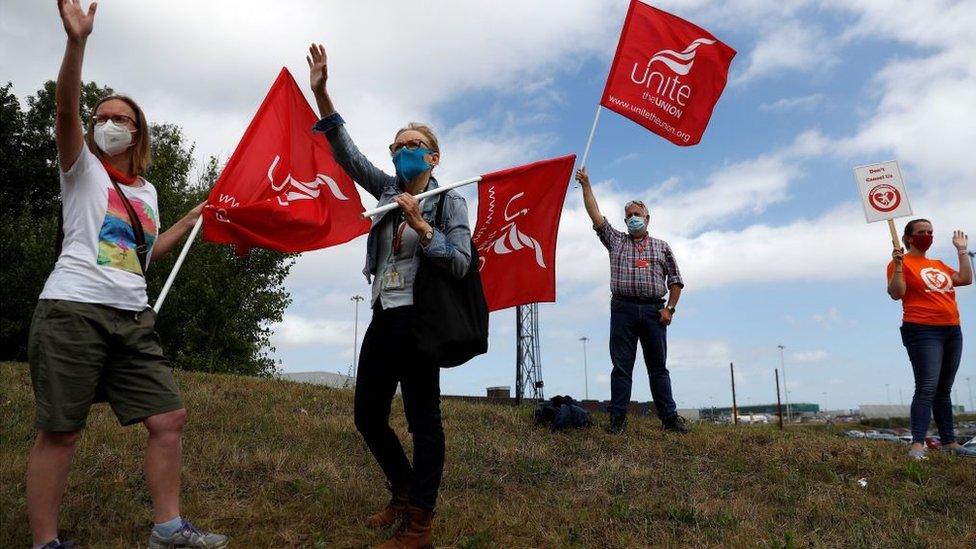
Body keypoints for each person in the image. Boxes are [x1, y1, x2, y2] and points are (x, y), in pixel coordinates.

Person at [25, 3, 228, 548]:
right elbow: (65, 112)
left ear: (137, 131)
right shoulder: (81, 167)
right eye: (101, 116)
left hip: (132, 317)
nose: (107, 123)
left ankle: (167, 528)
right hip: (72, 310)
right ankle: (46, 543)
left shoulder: (147, 192)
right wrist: (77, 44)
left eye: (120, 117)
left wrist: (188, 219)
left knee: (169, 418)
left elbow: (141, 254)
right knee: (61, 433)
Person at [307, 43, 472, 548]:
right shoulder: (384, 190)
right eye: (397, 146)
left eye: (413, 144)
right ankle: (402, 490)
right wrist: (323, 94)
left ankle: (421, 519)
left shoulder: (450, 200)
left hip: (422, 322)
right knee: (367, 415)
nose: (403, 152)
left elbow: (462, 263)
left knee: (425, 421)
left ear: (433, 154)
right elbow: (348, 155)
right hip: (385, 314)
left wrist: (424, 227)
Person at [575, 168, 688, 435]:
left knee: (658, 368)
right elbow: (595, 214)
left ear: (647, 218)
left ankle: (669, 419)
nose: (632, 219)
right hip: (623, 308)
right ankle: (617, 420)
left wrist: (669, 309)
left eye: (637, 214)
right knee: (622, 367)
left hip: (653, 310)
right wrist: (586, 185)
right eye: (628, 216)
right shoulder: (615, 241)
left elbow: (676, 280)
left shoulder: (662, 246)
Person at [887, 219, 973, 459]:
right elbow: (897, 293)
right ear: (909, 238)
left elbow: (966, 279)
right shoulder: (902, 263)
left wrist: (962, 250)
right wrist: (897, 265)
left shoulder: (938, 264)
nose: (928, 235)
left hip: (952, 330)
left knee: (943, 390)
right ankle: (917, 444)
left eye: (930, 231)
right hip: (922, 330)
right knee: (926, 387)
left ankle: (949, 442)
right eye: (922, 232)